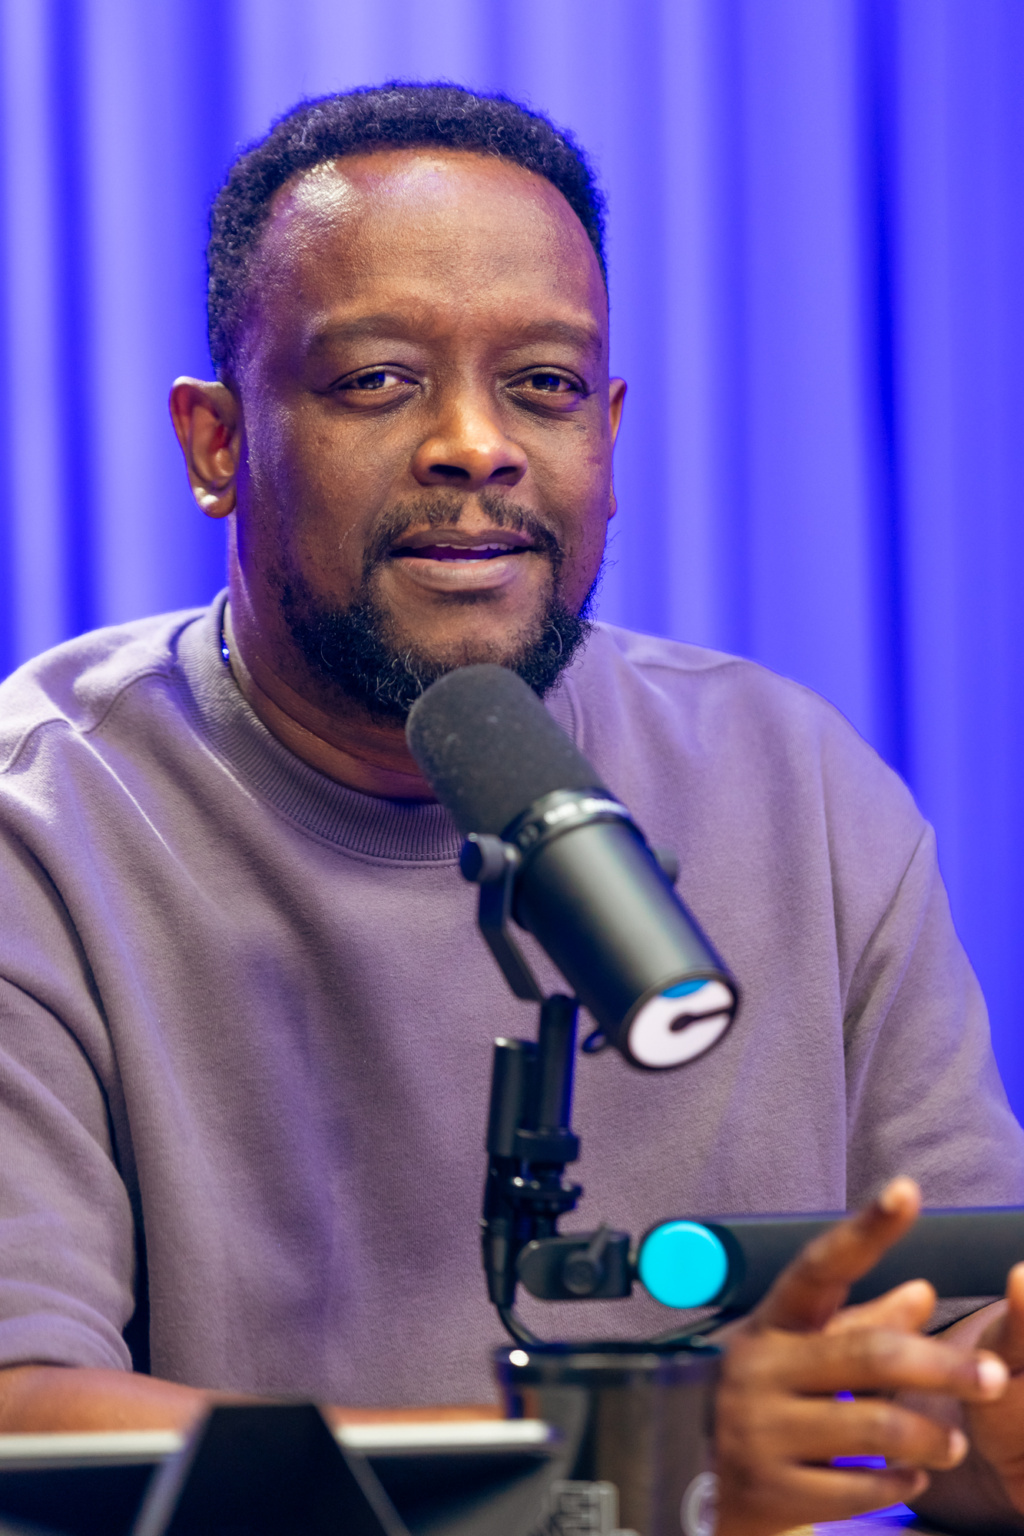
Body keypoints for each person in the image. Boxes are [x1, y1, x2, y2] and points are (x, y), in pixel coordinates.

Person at [0, 82, 1022, 1534]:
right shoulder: (41, 824)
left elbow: (957, 1372)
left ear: (609, 434)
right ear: (217, 444)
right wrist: (629, 1461)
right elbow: (25, 1428)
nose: (475, 445)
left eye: (544, 385)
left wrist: (988, 1419)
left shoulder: (800, 780)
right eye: (377, 381)